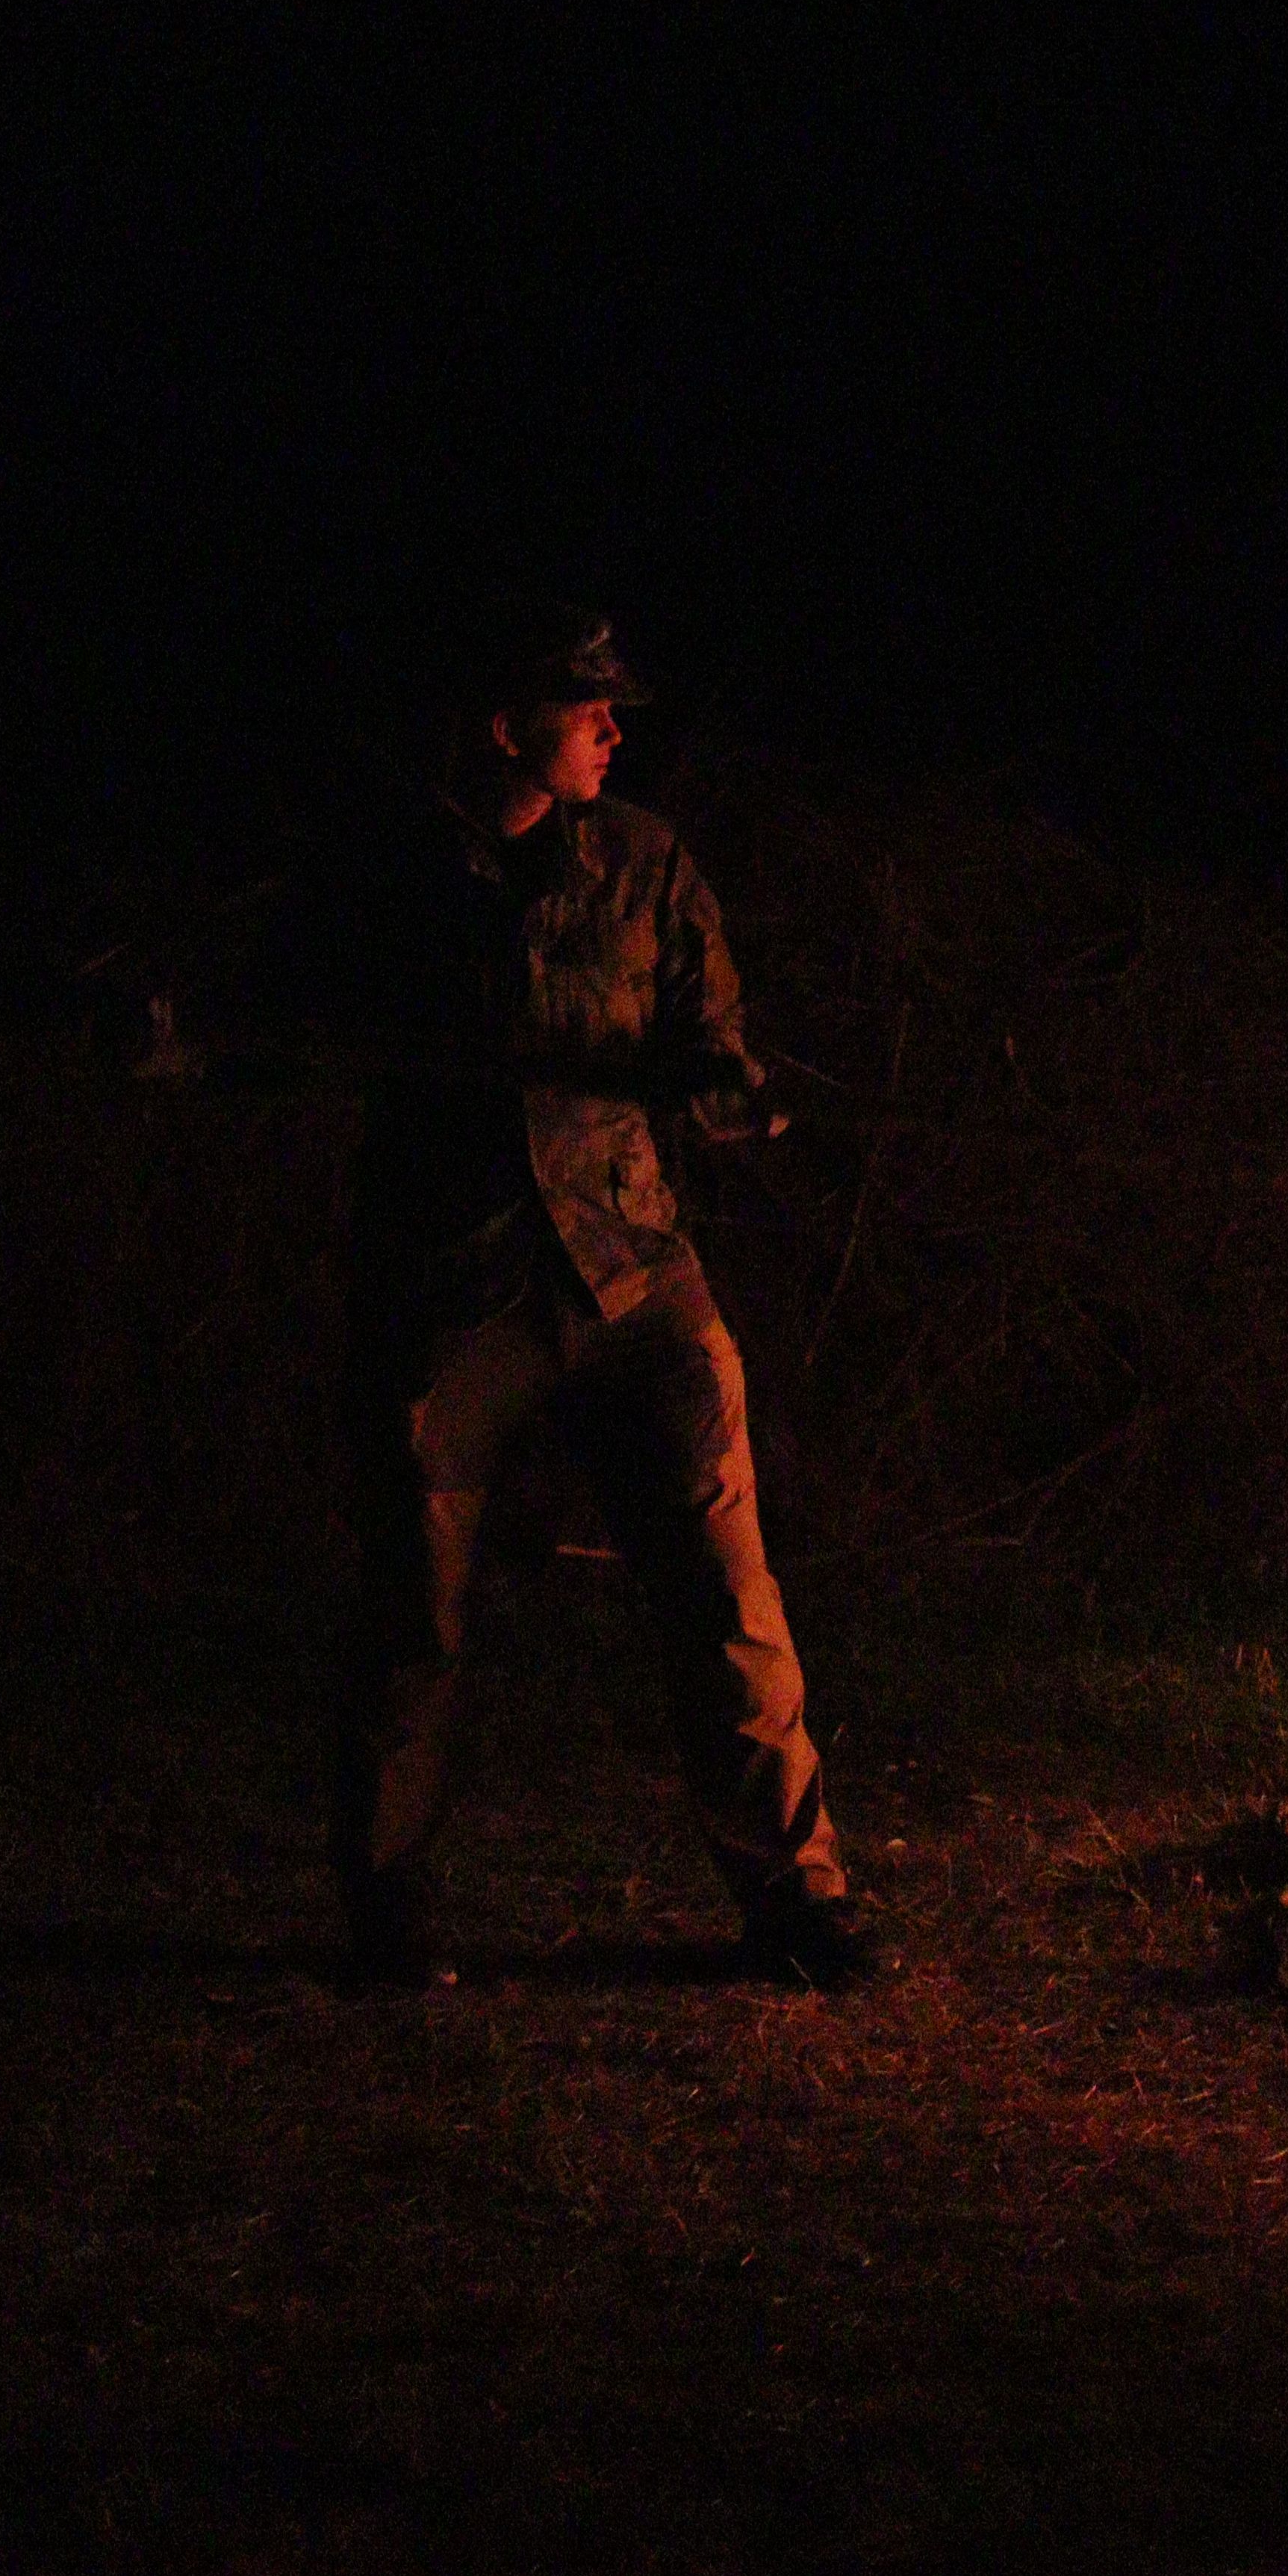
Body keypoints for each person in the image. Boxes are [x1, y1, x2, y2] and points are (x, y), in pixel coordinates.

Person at [262, 598, 870, 1984]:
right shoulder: (386, 879)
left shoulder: (645, 864)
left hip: (636, 1274)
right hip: (454, 1288)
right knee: (417, 1604)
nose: (610, 728)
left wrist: (728, 1096)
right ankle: (390, 1904)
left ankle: (798, 1897)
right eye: (583, 706)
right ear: (502, 728)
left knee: (729, 1592)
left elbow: (707, 1043)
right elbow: (278, 1026)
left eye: (613, 708)